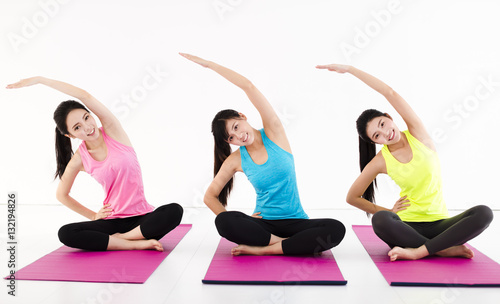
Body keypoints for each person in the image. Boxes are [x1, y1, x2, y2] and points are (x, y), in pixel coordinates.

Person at [316, 63, 493, 261]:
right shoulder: (381, 160)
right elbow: (352, 197)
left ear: (389, 117)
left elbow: (389, 92)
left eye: (383, 124)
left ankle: (420, 250)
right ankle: (441, 249)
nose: (386, 133)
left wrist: (350, 70)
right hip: (407, 227)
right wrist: (387, 211)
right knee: (381, 220)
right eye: (377, 135)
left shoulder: (418, 134)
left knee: (484, 214)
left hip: (441, 223)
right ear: (375, 142)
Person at [180, 53, 345, 256]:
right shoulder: (236, 159)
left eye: (236, 126)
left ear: (242, 116)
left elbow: (248, 86)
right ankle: (285, 245)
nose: (239, 136)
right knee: (224, 221)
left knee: (336, 229)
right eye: (231, 137)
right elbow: (209, 196)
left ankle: (266, 249)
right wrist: (241, 223)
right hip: (263, 225)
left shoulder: (274, 132)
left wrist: (210, 65)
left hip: (297, 221)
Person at [6, 77, 183, 251]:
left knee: (174, 211)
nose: (87, 127)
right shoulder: (80, 158)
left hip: (142, 219)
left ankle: (121, 239)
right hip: (111, 221)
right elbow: (62, 195)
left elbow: (84, 96)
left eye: (86, 118)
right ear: (70, 136)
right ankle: (135, 243)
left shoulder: (113, 131)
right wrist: (93, 215)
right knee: (66, 232)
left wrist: (40, 80)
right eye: (77, 128)